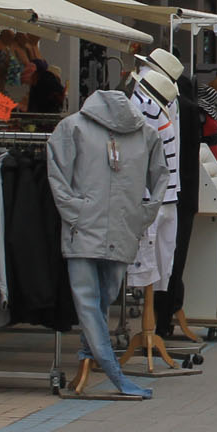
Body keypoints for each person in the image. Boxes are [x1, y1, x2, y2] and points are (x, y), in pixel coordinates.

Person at [47, 82, 169, 399]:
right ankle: (115, 375)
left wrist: (142, 214)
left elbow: (160, 177)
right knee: (89, 304)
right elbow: (57, 175)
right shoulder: (73, 128)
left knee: (104, 299)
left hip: (113, 227)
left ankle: (92, 359)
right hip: (88, 228)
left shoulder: (146, 134)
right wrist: (76, 211)